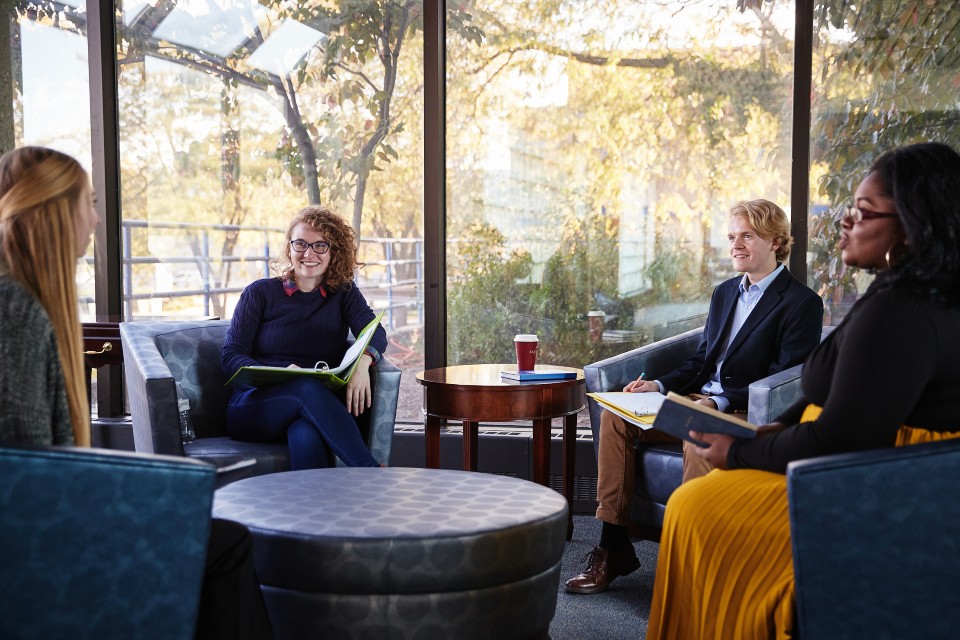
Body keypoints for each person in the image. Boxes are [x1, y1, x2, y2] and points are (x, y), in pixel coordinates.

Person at [647, 141, 960, 639]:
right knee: (690, 491)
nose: (845, 222)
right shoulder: (902, 292)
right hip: (863, 457)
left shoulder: (899, 311)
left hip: (873, 478)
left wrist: (743, 449)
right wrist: (777, 427)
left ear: (911, 223)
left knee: (693, 507)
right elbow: (845, 396)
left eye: (861, 211)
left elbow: (843, 435)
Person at [0, 146, 272, 640]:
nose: (97, 220)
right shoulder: (15, 311)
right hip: (31, 539)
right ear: (57, 212)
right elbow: (26, 474)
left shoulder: (19, 301)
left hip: (41, 519)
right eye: (91, 202)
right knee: (226, 544)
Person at [566, 199, 823, 594]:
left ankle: (691, 558)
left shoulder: (801, 303)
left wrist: (717, 403)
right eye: (732, 236)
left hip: (743, 412)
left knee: (696, 436)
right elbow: (704, 360)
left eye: (747, 236)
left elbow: (785, 379)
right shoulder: (725, 293)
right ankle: (613, 547)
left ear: (775, 241)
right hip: (695, 399)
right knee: (615, 417)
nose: (736, 245)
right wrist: (660, 386)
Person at [221, 205, 387, 469]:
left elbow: (374, 331)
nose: (309, 253)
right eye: (301, 244)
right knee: (305, 387)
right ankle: (369, 471)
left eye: (320, 246)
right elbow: (231, 356)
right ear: (289, 248)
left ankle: (312, 509)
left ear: (334, 252)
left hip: (312, 408)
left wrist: (364, 362)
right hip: (253, 405)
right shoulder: (259, 293)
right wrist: (283, 371)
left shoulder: (343, 294)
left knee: (305, 433)